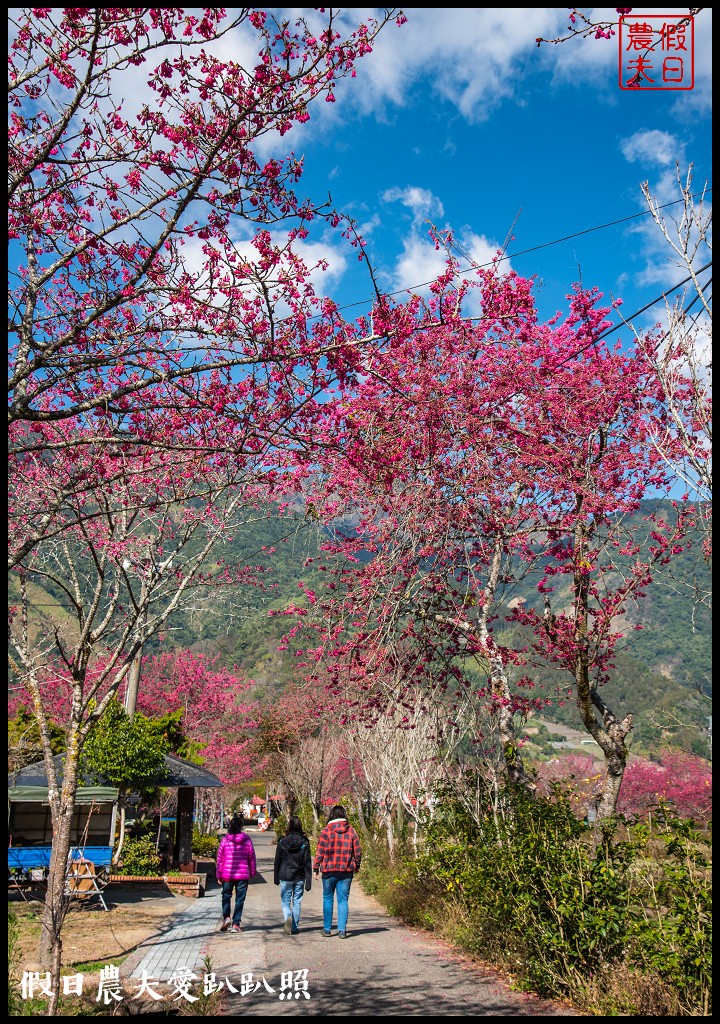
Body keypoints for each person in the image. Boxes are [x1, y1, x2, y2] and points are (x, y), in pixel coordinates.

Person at [313, 804, 362, 939]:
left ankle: (327, 929)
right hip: (346, 870)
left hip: (329, 870)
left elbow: (320, 851)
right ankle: (342, 930)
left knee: (328, 899)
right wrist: (356, 865)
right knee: (343, 900)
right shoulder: (351, 831)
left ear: (332, 816)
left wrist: (316, 867)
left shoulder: (326, 831)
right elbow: (357, 851)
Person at [215, 814, 256, 933]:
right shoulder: (247, 840)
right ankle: (236, 924)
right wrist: (252, 872)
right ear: (241, 827)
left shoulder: (225, 840)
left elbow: (220, 859)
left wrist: (219, 874)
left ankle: (227, 918)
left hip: (227, 874)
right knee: (240, 899)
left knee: (226, 896)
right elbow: (251, 857)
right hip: (242, 875)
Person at [273, 814, 312, 935]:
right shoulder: (305, 842)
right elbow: (307, 862)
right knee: (297, 902)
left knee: (285, 901)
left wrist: (276, 877)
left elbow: (277, 861)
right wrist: (308, 881)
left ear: (289, 826)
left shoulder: (282, 841)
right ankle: (294, 927)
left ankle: (288, 918)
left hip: (285, 875)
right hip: (299, 876)